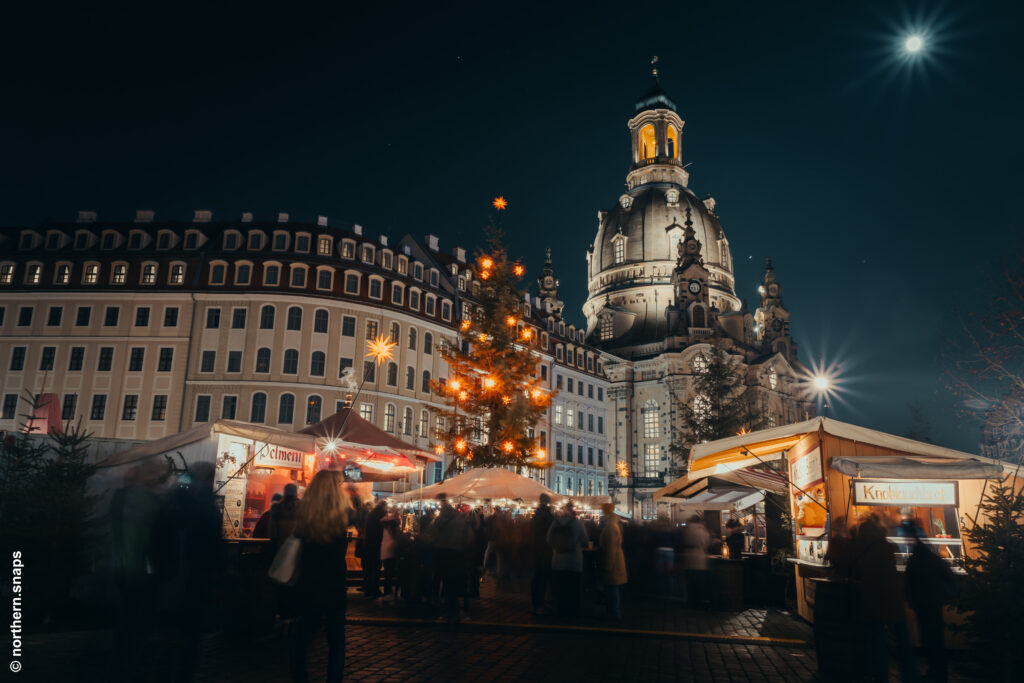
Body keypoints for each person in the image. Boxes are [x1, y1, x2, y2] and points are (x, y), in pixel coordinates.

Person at [290, 469, 352, 683]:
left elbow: (297, 537)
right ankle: (334, 679)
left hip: (308, 578)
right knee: (336, 638)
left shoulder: (304, 512)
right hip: (334, 579)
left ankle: (299, 676)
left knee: (303, 633)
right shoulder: (341, 513)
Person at [853, 515, 918, 683]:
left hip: (874, 602)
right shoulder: (889, 547)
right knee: (902, 641)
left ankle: (881, 676)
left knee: (877, 641)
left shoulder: (865, 551)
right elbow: (898, 567)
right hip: (893, 600)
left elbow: (859, 572)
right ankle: (910, 675)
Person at [905, 539, 955, 683]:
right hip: (934, 604)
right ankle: (940, 673)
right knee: (937, 639)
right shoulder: (935, 559)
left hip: (922, 606)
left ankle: (933, 671)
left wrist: (912, 602)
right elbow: (948, 576)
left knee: (928, 639)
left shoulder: (914, 561)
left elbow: (909, 585)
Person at [430, 493, 471, 621]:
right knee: (453, 582)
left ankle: (448, 609)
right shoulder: (460, 521)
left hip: (442, 553)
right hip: (456, 554)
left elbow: (431, 536)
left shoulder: (438, 521)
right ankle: (455, 610)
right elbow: (469, 538)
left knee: (444, 582)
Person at [547, 502, 588, 617]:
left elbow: (548, 540)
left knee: (560, 590)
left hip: (558, 561)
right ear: (573, 512)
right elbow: (585, 540)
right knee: (573, 590)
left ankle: (560, 611)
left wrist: (557, 547)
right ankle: (573, 613)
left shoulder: (555, 523)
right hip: (574, 562)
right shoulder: (578, 523)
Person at [599, 503, 627, 619]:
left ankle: (614, 613)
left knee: (612, 588)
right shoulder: (613, 524)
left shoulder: (610, 527)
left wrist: (608, 566)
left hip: (613, 563)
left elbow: (611, 549)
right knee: (612, 588)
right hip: (616, 560)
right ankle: (613, 612)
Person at [530, 494, 555, 614]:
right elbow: (551, 530)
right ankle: (539, 604)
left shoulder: (536, 514)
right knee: (542, 577)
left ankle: (536, 603)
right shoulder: (547, 515)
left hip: (536, 548)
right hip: (545, 549)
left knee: (537, 577)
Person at [681, 515, 711, 609]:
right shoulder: (702, 530)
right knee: (699, 582)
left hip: (688, 557)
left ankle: (691, 601)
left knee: (690, 582)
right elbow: (707, 543)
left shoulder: (686, 529)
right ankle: (699, 602)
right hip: (699, 557)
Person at [361, 499, 387, 598]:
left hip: (369, 544)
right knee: (376, 568)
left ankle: (368, 589)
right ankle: (374, 589)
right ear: (384, 507)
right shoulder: (381, 514)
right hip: (376, 545)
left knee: (369, 568)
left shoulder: (372, 513)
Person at [270, 484, 299, 548]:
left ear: (285, 493)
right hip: (297, 544)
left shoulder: (276, 507)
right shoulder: (302, 507)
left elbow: (272, 532)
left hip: (280, 543)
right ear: (296, 493)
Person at [380, 515, 400, 601]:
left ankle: (388, 592)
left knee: (387, 574)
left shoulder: (385, 529)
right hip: (390, 554)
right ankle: (388, 592)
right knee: (389, 574)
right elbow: (396, 539)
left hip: (385, 553)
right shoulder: (392, 531)